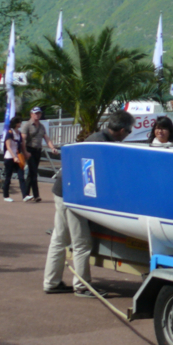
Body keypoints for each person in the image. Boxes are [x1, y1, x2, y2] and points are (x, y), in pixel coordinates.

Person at [43, 110, 135, 298]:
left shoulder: (97, 138)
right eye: (129, 132)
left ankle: (51, 282)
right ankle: (82, 286)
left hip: (62, 190)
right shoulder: (103, 145)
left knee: (59, 239)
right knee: (82, 243)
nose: (127, 136)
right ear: (122, 130)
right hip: (73, 195)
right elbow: (94, 176)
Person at [20, 106, 58, 202]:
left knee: (31, 173)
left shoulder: (41, 126)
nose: (37, 115)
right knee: (33, 173)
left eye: (39, 113)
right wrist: (25, 152)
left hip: (38, 151)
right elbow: (22, 140)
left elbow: (46, 138)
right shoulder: (27, 125)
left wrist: (52, 148)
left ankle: (26, 194)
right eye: (35, 113)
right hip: (29, 150)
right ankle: (36, 195)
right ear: (31, 114)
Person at [2, 116, 30, 203]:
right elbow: (8, 147)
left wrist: (25, 153)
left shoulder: (19, 133)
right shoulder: (10, 133)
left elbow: (22, 145)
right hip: (10, 157)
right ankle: (6, 195)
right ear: (16, 123)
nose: (20, 124)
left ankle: (25, 195)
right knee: (8, 177)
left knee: (21, 176)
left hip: (18, 157)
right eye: (19, 122)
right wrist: (14, 157)